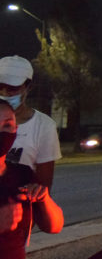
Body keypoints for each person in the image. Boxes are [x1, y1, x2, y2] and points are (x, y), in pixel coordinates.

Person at [1, 99, 64, 259]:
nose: (2, 131)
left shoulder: (22, 173)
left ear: (16, 129)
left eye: (7, 125)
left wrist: (44, 200)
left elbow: (54, 226)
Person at [0, 56, 61, 187]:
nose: (4, 93)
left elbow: (43, 188)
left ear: (29, 87)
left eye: (12, 88)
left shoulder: (44, 126)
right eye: (0, 87)